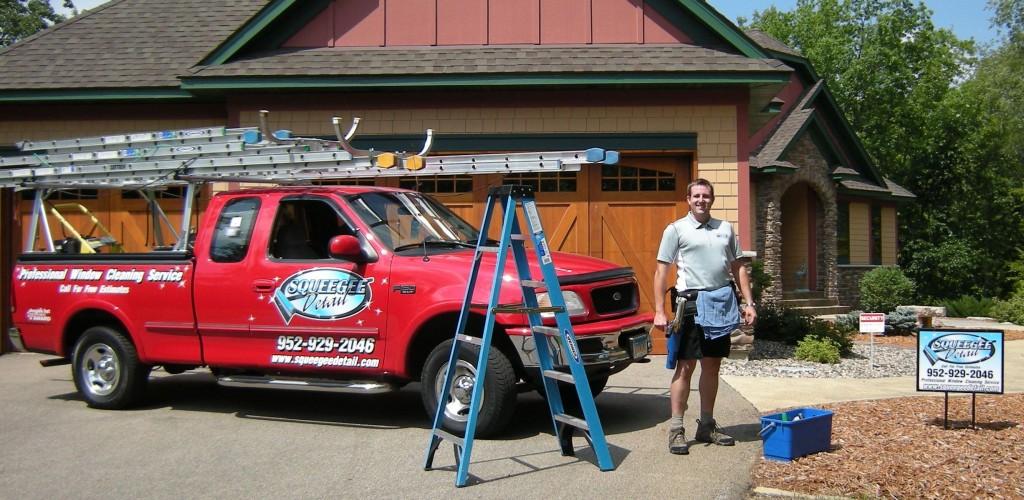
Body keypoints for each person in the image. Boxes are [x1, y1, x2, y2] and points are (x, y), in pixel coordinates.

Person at [653, 178, 756, 455]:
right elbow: (661, 271)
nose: (701, 200)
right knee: (685, 367)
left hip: (721, 306)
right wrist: (660, 311)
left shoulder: (725, 229)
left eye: (706, 196)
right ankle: (676, 429)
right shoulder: (676, 230)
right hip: (690, 306)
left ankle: (706, 425)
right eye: (696, 195)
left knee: (712, 367)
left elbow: (739, 267)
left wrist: (749, 303)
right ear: (688, 199)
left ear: (712, 199)